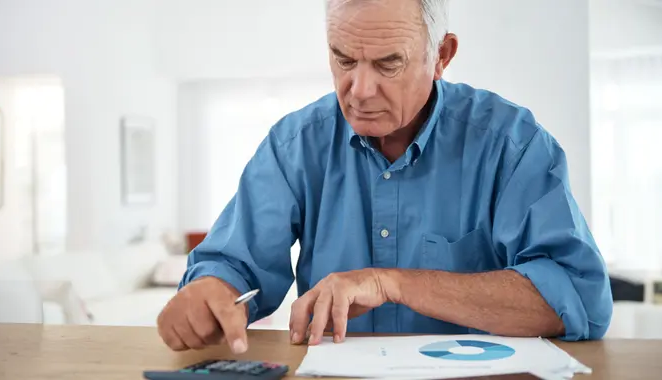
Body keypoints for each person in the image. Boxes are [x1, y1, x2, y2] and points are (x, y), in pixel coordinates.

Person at [157, 0, 613, 354]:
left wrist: (389, 282)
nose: (359, 90)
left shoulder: (512, 146)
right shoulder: (296, 145)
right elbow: (233, 265)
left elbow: (578, 297)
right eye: (343, 60)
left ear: (442, 56)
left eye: (387, 64)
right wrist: (209, 292)